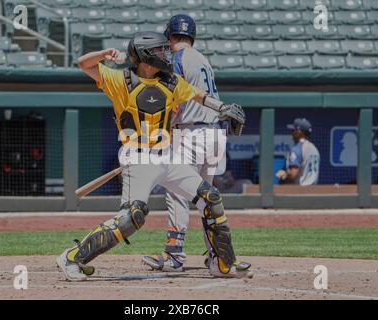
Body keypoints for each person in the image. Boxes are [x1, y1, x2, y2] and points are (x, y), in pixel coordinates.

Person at [56, 31, 249, 281]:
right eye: (159, 50)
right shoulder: (120, 80)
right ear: (146, 55)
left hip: (167, 157)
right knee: (132, 217)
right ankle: (72, 257)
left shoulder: (171, 82)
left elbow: (198, 96)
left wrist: (222, 108)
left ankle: (221, 263)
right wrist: (105, 54)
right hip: (138, 157)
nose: (165, 54)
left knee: (210, 198)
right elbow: (84, 63)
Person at [141, 15, 251, 273]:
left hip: (190, 133)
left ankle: (174, 255)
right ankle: (219, 257)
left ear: (170, 34)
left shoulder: (176, 59)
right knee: (206, 198)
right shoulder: (203, 59)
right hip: (214, 134)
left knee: (178, 192)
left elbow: (175, 102)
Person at [276, 118, 320, 186]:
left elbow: (293, 174)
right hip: (313, 191)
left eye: (293, 130)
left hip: (300, 191)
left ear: (299, 132)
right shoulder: (315, 149)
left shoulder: (297, 148)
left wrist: (283, 177)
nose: (292, 133)